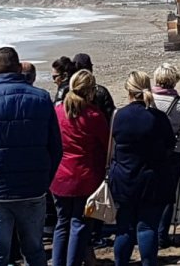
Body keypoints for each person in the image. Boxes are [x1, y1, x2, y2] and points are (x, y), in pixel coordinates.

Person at [0, 46, 62, 266]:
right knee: (35, 251)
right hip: (32, 189)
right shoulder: (42, 98)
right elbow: (56, 147)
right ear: (18, 68)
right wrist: (45, 179)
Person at [109, 71, 177, 266]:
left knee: (125, 229)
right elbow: (169, 145)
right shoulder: (157, 117)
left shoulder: (120, 115)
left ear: (128, 90)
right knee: (147, 228)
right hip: (152, 179)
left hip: (124, 179)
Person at [51, 70, 109, 266]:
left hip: (60, 176)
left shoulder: (58, 112)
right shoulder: (93, 115)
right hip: (85, 176)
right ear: (90, 92)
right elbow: (106, 143)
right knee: (80, 224)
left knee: (62, 223)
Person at [150, 63, 180, 249]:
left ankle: (149, 231)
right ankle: (162, 235)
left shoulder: (149, 100)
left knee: (151, 194)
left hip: (150, 152)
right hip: (174, 153)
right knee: (168, 196)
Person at [73, 54, 116, 122]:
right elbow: (111, 116)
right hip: (100, 128)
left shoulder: (70, 93)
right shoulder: (101, 91)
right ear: (91, 68)